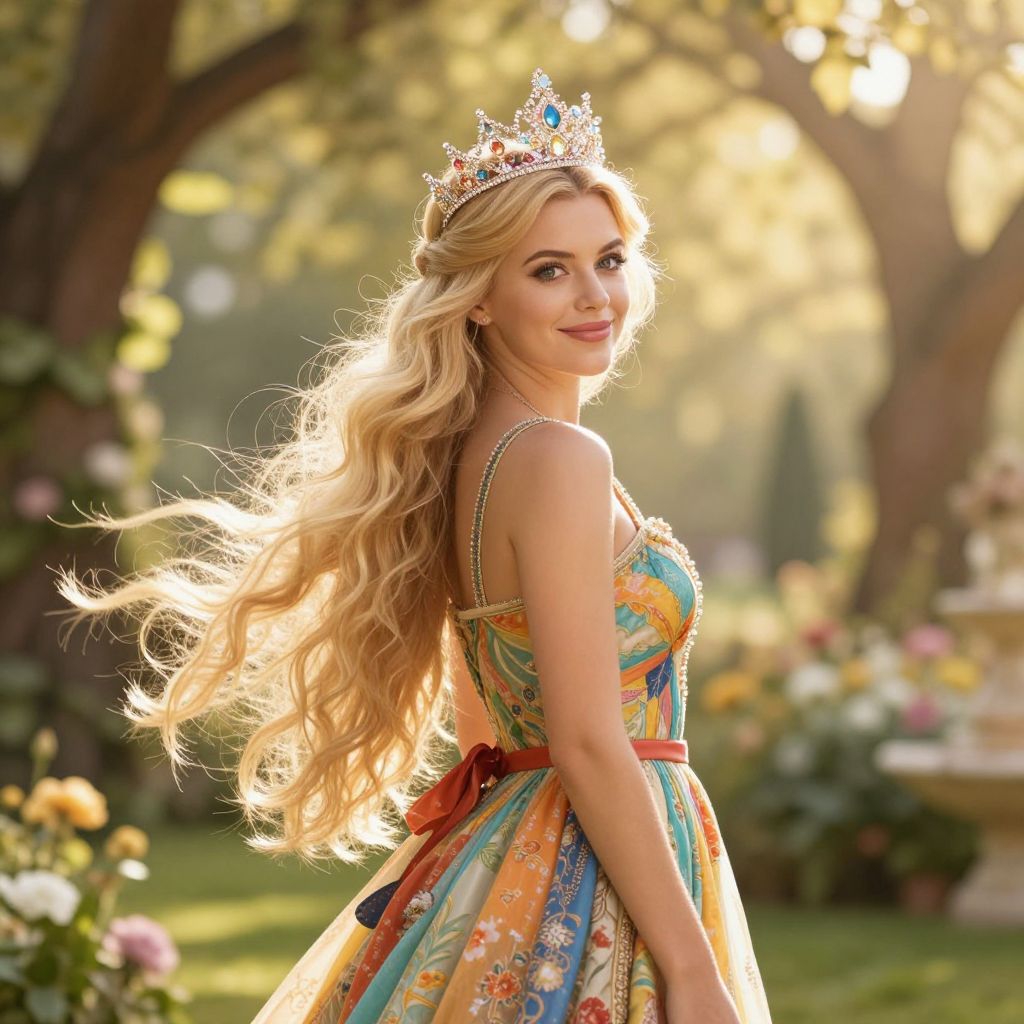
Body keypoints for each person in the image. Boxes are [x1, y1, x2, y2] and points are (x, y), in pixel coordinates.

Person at [55, 67, 772, 1023]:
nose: (595, 293)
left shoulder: (470, 456)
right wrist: (689, 970)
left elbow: (485, 722)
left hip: (524, 846)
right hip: (588, 868)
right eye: (548, 269)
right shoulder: (557, 458)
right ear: (478, 297)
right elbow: (590, 739)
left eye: (609, 258)